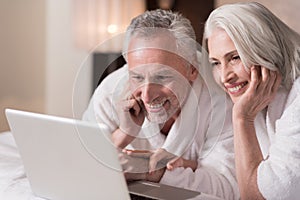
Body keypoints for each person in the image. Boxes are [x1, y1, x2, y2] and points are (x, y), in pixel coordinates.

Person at [83, 9, 239, 199]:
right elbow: (83, 165)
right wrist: (124, 133)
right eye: (137, 77)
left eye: (162, 76)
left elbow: (228, 188)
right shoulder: (110, 92)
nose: (147, 96)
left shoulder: (221, 98)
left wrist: (152, 171)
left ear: (192, 69)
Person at [200, 2, 300, 199]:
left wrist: (242, 119)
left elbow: (256, 197)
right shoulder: (258, 101)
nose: (225, 76)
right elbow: (228, 169)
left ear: (264, 49)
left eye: (235, 58)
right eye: (216, 63)